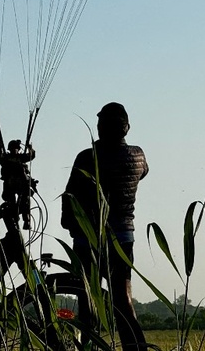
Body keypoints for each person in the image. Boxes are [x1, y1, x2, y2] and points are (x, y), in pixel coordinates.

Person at [61, 102, 148, 351]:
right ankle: (135, 348)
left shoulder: (87, 157)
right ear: (126, 128)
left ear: (100, 128)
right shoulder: (138, 155)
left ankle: (89, 346)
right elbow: (143, 172)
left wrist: (70, 224)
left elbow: (70, 196)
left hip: (88, 238)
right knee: (123, 300)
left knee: (88, 302)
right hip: (123, 237)